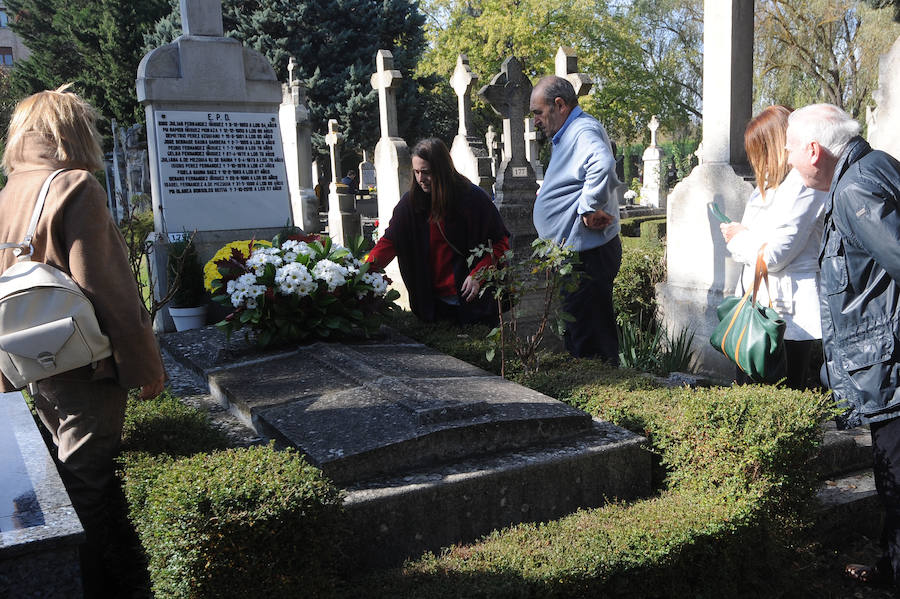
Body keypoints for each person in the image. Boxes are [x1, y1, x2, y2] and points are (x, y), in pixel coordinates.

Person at [0, 85, 165, 597]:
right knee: (86, 486)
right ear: (74, 130)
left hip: (29, 361)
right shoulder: (74, 186)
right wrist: (145, 367)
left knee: (60, 472)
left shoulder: (9, 193)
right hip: (83, 364)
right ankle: (89, 585)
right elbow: (109, 290)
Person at [785, 103, 900, 591]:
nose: (788, 160)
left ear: (814, 150)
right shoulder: (877, 167)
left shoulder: (854, 189)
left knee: (895, 480)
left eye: (790, 151)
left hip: (891, 368)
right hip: (887, 361)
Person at [719, 105, 826, 389]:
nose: (757, 160)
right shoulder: (768, 186)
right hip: (758, 304)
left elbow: (777, 254)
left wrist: (739, 237)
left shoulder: (806, 186)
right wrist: (740, 237)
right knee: (750, 393)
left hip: (788, 312)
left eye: (760, 150)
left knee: (783, 394)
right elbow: (758, 245)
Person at [366, 138, 509, 325]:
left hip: (474, 303)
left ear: (442, 170)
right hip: (432, 304)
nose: (420, 179)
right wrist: (362, 272)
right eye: (416, 172)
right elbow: (390, 242)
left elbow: (500, 243)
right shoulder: (410, 204)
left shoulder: (473, 199)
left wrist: (478, 275)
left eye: (426, 172)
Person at [529, 75, 622, 362]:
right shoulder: (570, 134)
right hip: (582, 256)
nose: (535, 121)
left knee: (590, 342)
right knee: (582, 334)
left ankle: (603, 400)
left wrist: (587, 208)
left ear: (560, 105)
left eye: (538, 113)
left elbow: (603, 164)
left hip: (588, 258)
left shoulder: (581, 130)